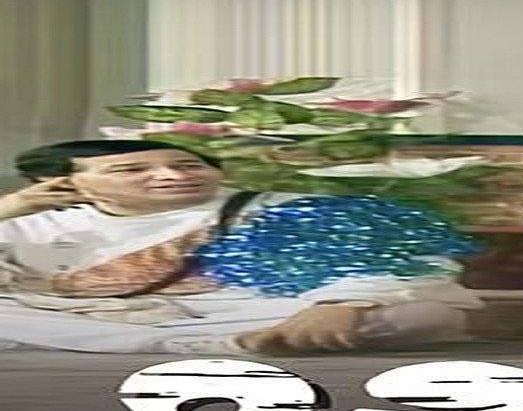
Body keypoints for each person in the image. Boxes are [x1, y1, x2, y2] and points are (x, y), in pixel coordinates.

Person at [0, 140, 483, 355]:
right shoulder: (35, 223)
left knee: (424, 315)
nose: (170, 175)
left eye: (188, 165)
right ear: (62, 183)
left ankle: (239, 342)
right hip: (84, 316)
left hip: (259, 312)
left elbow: (407, 260)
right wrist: (8, 208)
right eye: (132, 170)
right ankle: (199, 347)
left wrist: (341, 304)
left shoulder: (276, 206)